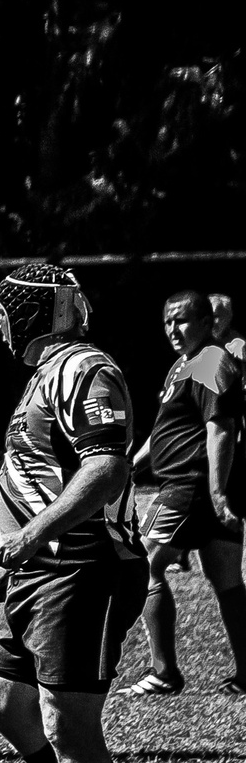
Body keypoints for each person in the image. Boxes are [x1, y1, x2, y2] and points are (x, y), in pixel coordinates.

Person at [0, 262, 150, 763]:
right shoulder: (46, 378)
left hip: (83, 565)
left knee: (69, 728)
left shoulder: (84, 368)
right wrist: (10, 559)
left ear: (30, 314)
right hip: (38, 569)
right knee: (1, 704)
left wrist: (25, 539)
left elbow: (105, 468)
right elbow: (40, 477)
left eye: (3, 311)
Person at [124, 290, 245, 698]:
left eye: (182, 321)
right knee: (227, 579)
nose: (173, 330)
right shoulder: (184, 365)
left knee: (143, 568)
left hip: (190, 487)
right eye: (167, 322)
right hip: (197, 487)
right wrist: (131, 464)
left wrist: (217, 493)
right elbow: (166, 431)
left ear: (206, 323)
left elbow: (221, 429)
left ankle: (163, 673)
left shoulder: (210, 361)